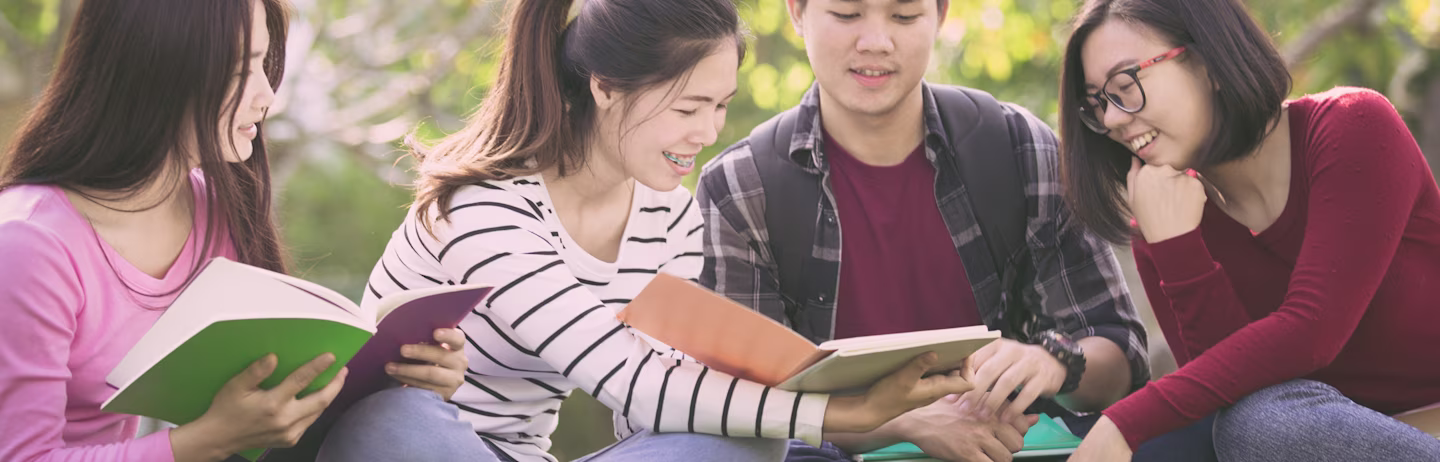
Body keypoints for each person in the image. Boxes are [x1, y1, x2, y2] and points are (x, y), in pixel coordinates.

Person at [316, 1, 974, 461]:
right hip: (418, 446)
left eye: (720, 106)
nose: (709, 132)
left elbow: (662, 409)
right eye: (688, 107)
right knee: (395, 418)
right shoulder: (485, 209)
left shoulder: (672, 220)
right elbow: (627, 379)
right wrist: (844, 414)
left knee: (740, 438)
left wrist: (872, 409)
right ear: (605, 88)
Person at [0, 1, 460, 460]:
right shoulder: (29, 242)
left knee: (407, 416)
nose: (267, 96)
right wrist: (207, 440)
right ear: (159, 69)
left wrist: (402, 373)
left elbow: (269, 385)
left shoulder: (213, 208)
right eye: (242, 71)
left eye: (264, 65)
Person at [695, 0, 1150, 460]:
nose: (876, 42)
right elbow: (742, 404)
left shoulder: (1020, 149)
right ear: (797, 12)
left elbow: (1122, 357)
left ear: (941, 15)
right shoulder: (740, 190)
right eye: (847, 15)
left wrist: (1054, 362)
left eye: (904, 16)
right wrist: (903, 424)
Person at [1056, 0, 1440, 460]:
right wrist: (1178, 249)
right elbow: (1232, 398)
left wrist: (1124, 422)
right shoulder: (1164, 226)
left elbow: (1311, 331)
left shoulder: (1353, 126)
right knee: (1212, 432)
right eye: (1097, 103)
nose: (1113, 120)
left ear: (1210, 63)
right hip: (1301, 443)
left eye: (1126, 84)